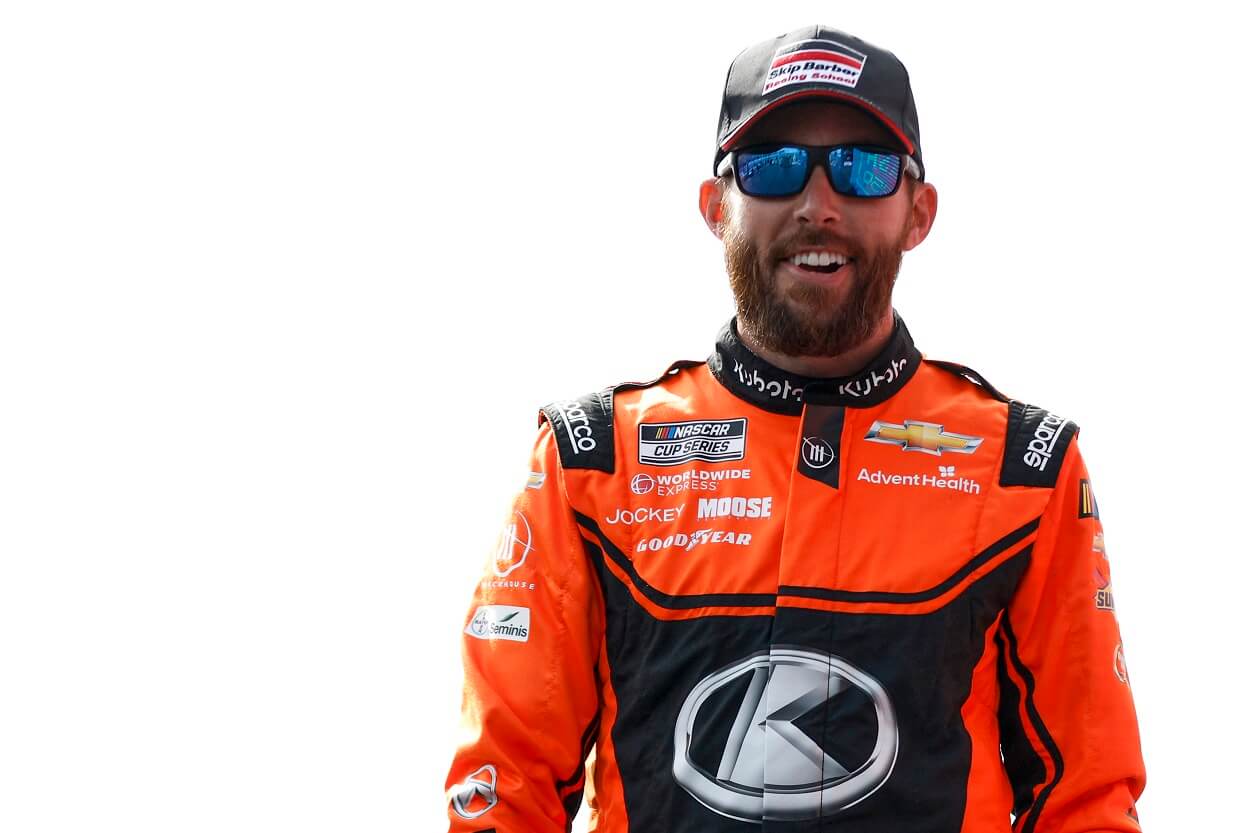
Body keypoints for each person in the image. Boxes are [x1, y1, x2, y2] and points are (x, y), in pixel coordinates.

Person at [444, 24, 1146, 833]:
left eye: (862, 168)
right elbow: (503, 789)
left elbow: (1088, 803)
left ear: (919, 212)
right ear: (716, 208)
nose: (820, 206)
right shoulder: (592, 462)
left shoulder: (1024, 470)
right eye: (773, 167)